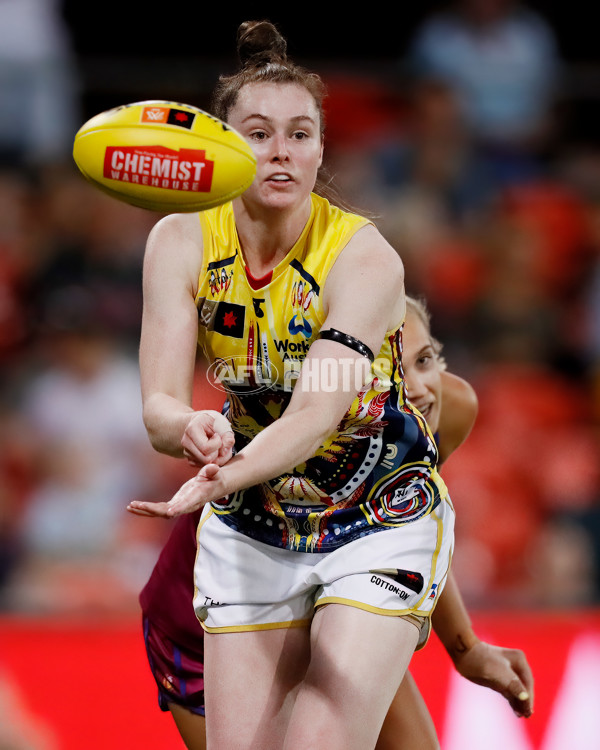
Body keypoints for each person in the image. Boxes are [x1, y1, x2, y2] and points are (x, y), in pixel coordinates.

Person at [127, 20, 452, 749]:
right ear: (224, 146)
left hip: (374, 516)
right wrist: (186, 426)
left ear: (321, 150)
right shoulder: (180, 241)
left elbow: (312, 417)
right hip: (254, 522)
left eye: (300, 134)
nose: (281, 151)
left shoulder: (365, 261)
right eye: (259, 133)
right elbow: (156, 403)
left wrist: (219, 474)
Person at [138, 296, 534, 750]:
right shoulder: (292, 427)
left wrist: (466, 650)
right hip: (209, 627)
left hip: (330, 597)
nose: (419, 388)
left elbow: (403, 526)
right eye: (389, 370)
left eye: (424, 360)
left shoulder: (450, 408)